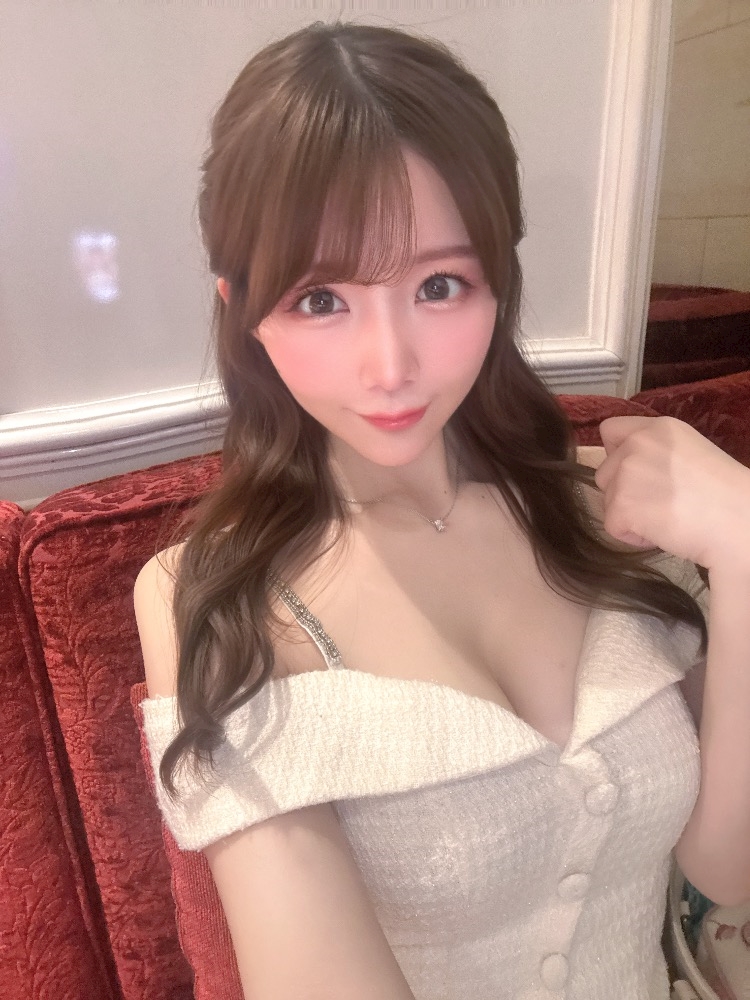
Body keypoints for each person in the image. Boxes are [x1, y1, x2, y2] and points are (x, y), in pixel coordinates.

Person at [133, 21, 750, 1000]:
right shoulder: (212, 595)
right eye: (321, 299)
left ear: (498, 280)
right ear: (243, 311)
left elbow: (727, 869)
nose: (392, 366)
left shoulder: (617, 505)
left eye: (438, 284)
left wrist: (746, 548)